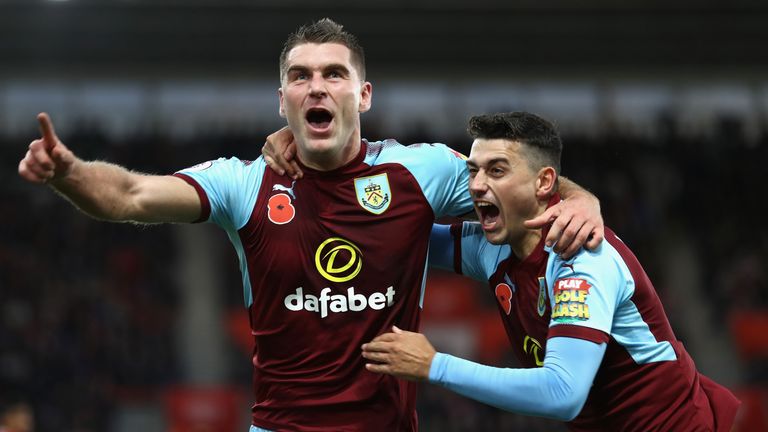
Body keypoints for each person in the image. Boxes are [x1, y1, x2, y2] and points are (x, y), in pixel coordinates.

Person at [18, 20, 603, 432]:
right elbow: (129, 194)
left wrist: (584, 200)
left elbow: (523, 185)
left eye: (333, 74)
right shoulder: (243, 183)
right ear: (282, 100)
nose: (316, 86)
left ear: (363, 94)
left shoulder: (419, 171)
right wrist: (68, 173)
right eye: (300, 76)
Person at [361, 112, 741, 431]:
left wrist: (434, 365)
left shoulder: (580, 257)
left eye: (496, 171)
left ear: (544, 182)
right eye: (474, 171)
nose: (476, 185)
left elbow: (563, 393)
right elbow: (396, 236)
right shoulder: (495, 248)